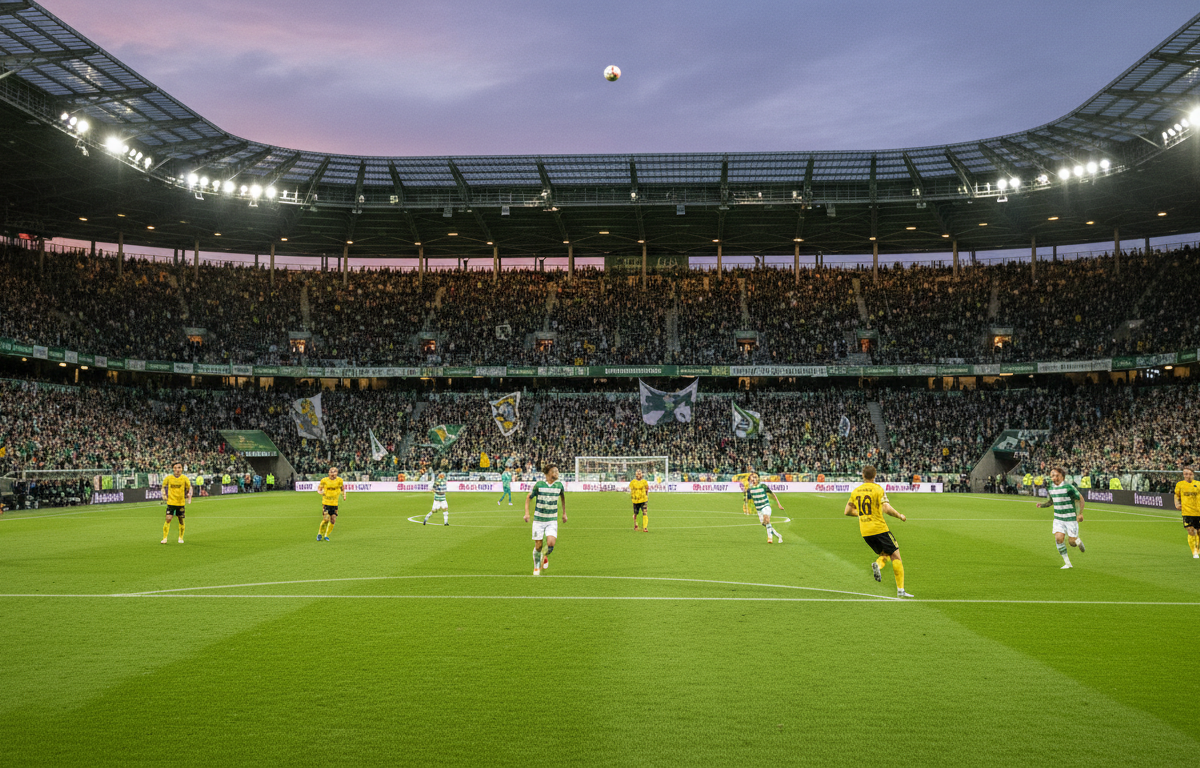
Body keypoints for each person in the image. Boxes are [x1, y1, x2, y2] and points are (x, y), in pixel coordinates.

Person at [844, 465, 913, 597]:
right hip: (879, 528)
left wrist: (862, 514)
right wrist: (899, 515)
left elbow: (847, 511)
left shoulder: (856, 491)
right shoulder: (878, 489)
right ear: (875, 475)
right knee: (896, 555)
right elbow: (886, 508)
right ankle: (900, 590)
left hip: (865, 531)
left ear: (863, 476)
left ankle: (879, 565)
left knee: (885, 554)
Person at [1036, 467, 1085, 569]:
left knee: (1072, 542)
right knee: (1059, 538)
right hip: (1058, 519)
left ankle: (1077, 541)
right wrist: (1042, 505)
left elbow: (1080, 499)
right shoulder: (1051, 488)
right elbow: (1051, 501)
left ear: (1062, 476)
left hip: (1071, 519)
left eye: (1057, 475)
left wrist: (1080, 513)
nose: (1055, 478)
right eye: (1052, 476)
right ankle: (1067, 563)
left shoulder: (1069, 487)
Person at [525, 464, 567, 576]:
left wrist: (564, 513)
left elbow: (562, 497)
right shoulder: (539, 485)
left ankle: (545, 556)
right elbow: (529, 497)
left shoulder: (559, 485)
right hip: (538, 520)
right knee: (538, 546)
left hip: (551, 520)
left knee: (551, 544)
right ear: (548, 473)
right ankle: (536, 567)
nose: (557, 473)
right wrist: (527, 513)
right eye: (555, 471)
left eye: (558, 471)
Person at [746, 472, 785, 543]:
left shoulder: (763, 486)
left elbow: (772, 494)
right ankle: (778, 535)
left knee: (766, 520)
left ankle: (770, 538)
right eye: (752, 477)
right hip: (759, 509)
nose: (754, 479)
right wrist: (748, 508)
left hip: (765, 506)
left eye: (755, 477)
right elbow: (748, 500)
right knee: (765, 523)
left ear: (758, 478)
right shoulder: (750, 489)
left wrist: (779, 504)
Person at [160, 461, 192, 544]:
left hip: (180, 503)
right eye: (176, 468)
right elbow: (163, 487)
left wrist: (189, 494)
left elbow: (190, 487)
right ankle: (164, 538)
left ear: (181, 469)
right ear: (173, 469)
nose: (177, 470)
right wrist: (163, 495)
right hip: (171, 502)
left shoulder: (184, 478)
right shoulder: (169, 478)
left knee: (181, 520)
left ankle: (181, 537)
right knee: (168, 519)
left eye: (179, 468)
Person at [1172, 466, 1200, 559]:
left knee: (1199, 532)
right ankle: (1194, 552)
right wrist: (1177, 504)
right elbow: (1176, 495)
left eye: (1190, 474)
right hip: (1187, 512)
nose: (1188, 476)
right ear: (1183, 475)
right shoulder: (1180, 484)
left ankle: (1197, 548)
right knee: (1191, 531)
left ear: (1193, 474)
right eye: (1186, 474)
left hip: (1198, 512)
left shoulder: (1198, 484)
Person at [317, 466, 345, 541]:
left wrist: (344, 495)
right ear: (329, 473)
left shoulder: (339, 480)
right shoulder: (324, 480)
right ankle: (320, 534)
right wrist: (321, 492)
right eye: (331, 471)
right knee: (326, 519)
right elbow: (319, 489)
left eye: (334, 471)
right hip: (326, 503)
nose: (333, 473)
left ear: (337, 473)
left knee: (333, 520)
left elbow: (342, 488)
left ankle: (326, 535)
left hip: (335, 504)